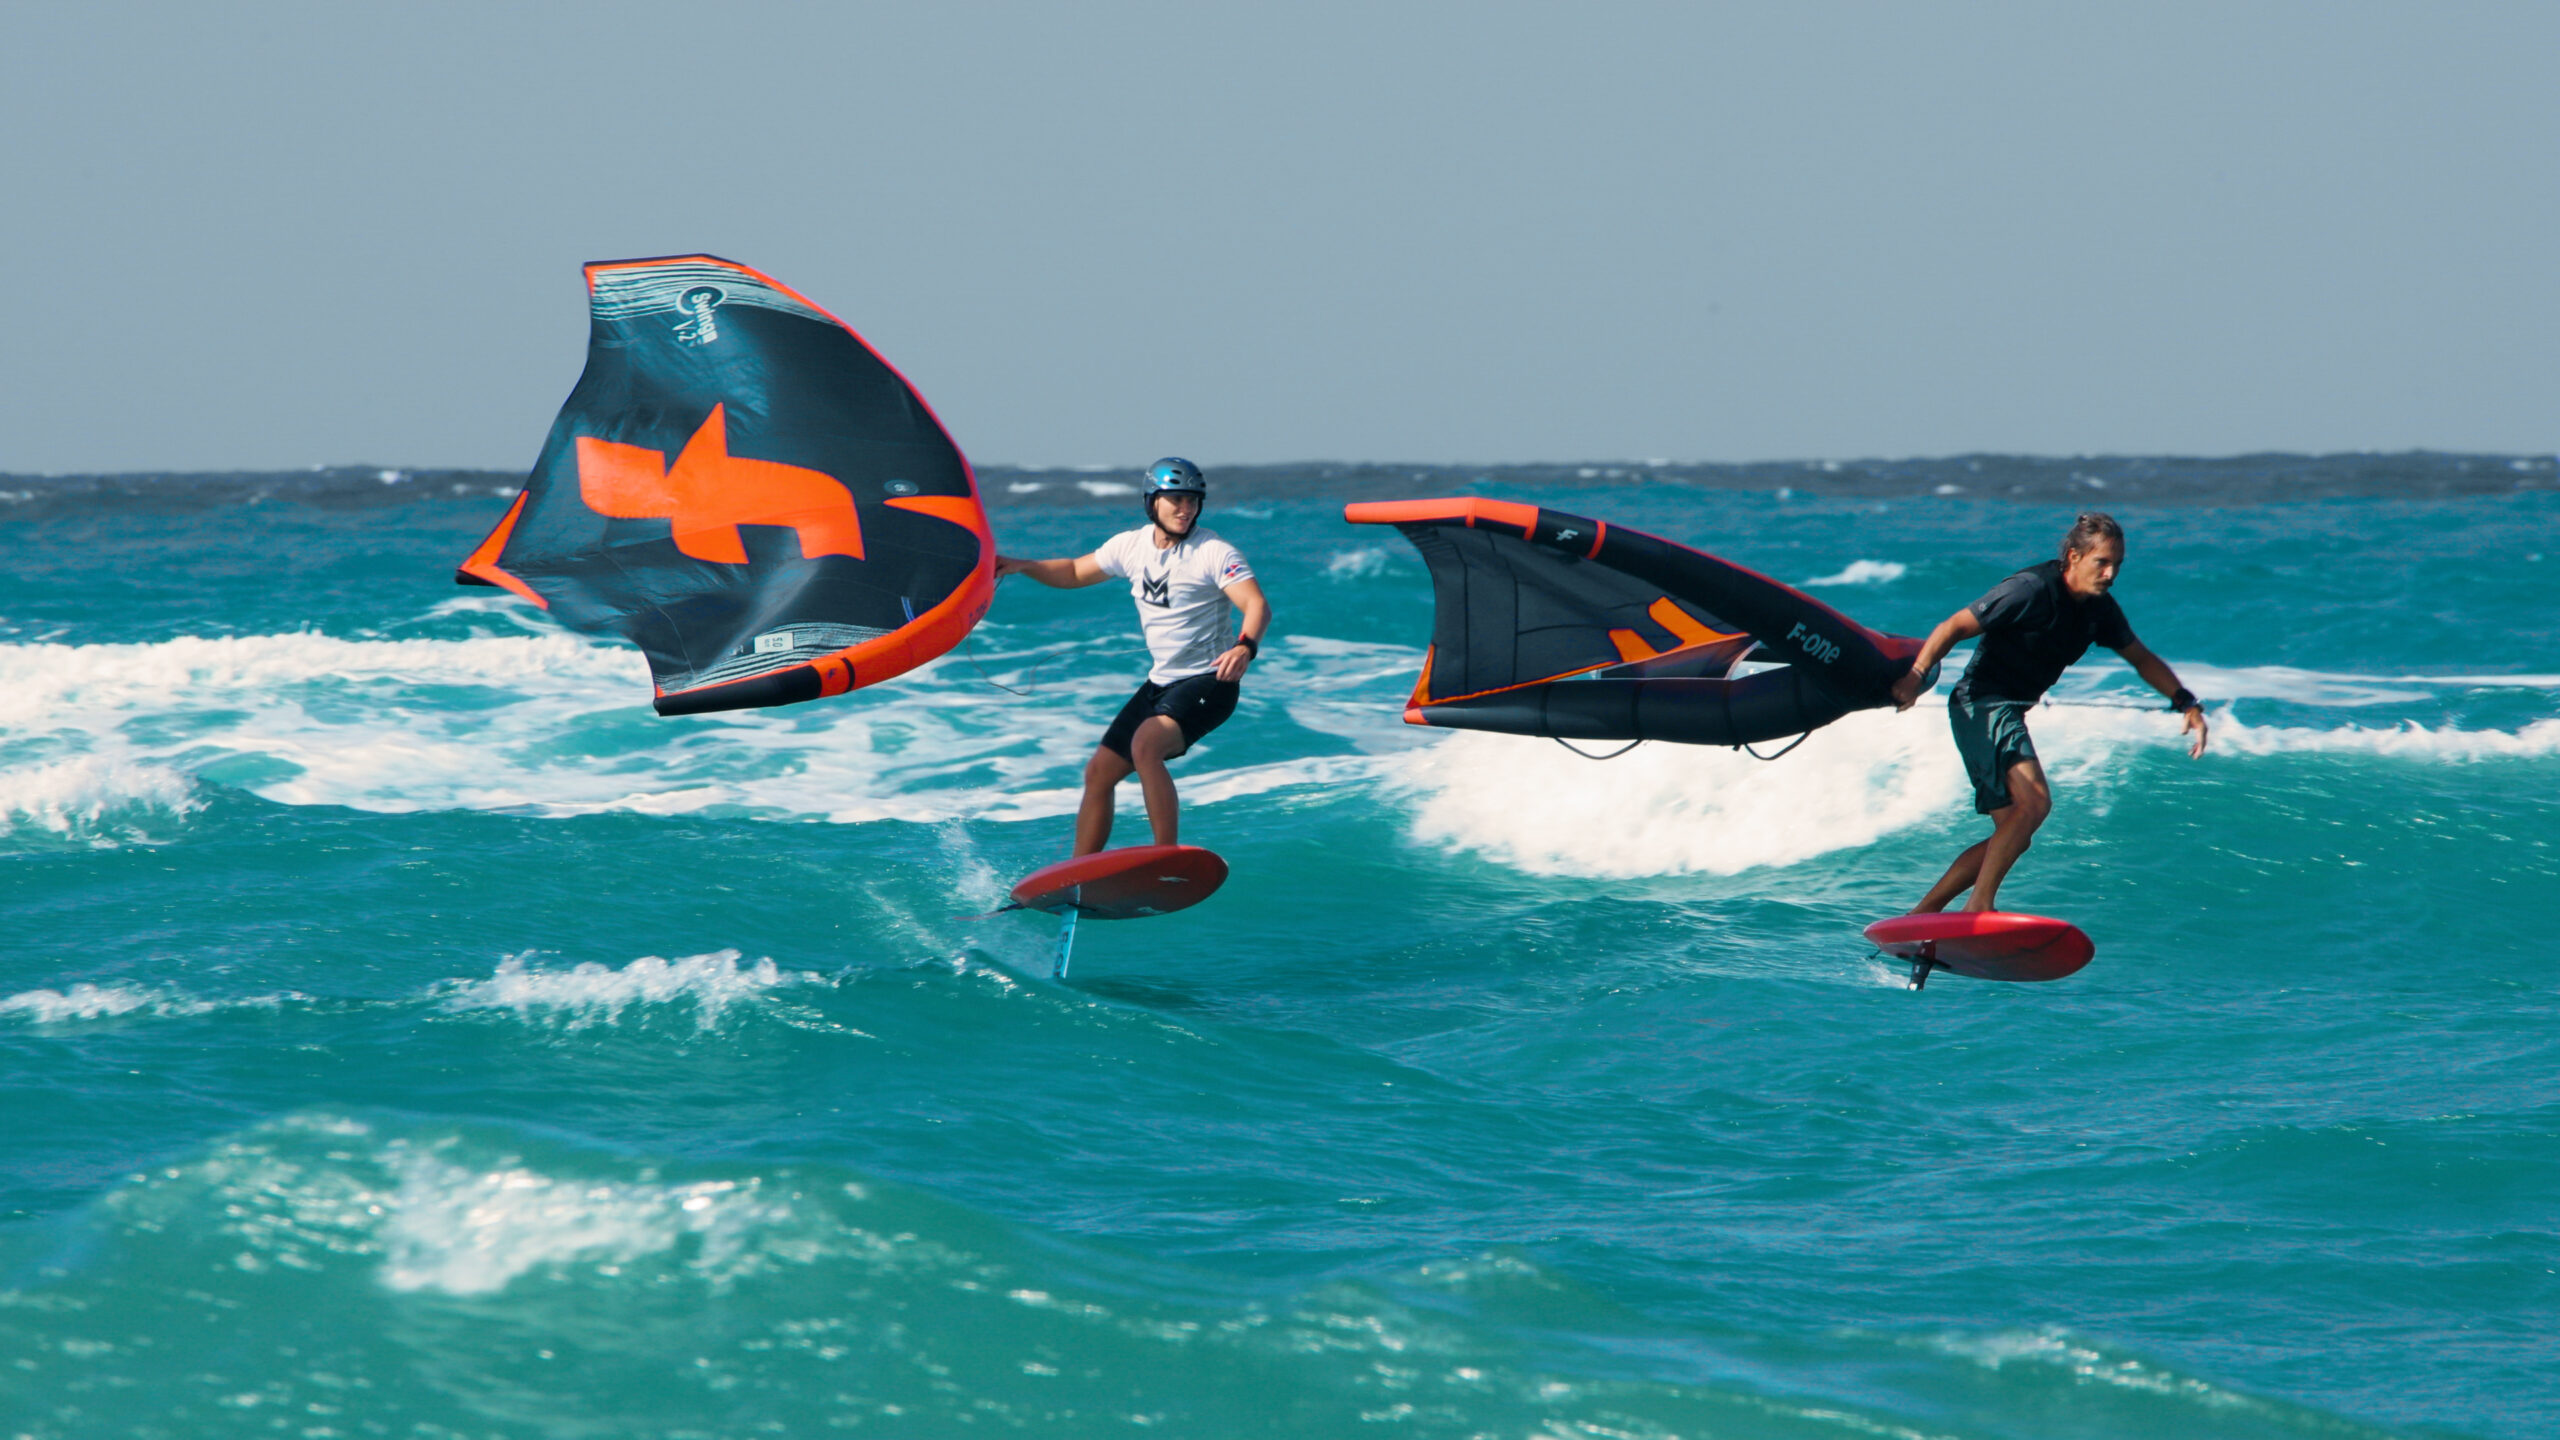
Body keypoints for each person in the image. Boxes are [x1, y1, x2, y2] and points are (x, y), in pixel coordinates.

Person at [1889, 512, 2207, 913]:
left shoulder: (2099, 610)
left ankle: (1922, 915)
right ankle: (1978, 907)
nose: (2110, 574)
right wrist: (1916, 675)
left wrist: (2186, 702)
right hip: (1982, 703)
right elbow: (1953, 626)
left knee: (2014, 832)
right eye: (2102, 562)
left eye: (2117, 565)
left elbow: (2141, 658)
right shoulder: (2029, 590)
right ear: (2074, 556)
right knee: (2035, 804)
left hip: (2011, 711)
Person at [994, 458, 1272, 857]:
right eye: (1176, 499)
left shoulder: (1213, 552)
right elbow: (1073, 572)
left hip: (1210, 681)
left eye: (1193, 500)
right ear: (1152, 501)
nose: (1186, 509)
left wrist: (1245, 646)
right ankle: (1080, 871)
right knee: (1099, 772)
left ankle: (1166, 856)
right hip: (1161, 683)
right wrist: (1024, 566)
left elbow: (1256, 604)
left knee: (1146, 746)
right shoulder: (1131, 546)